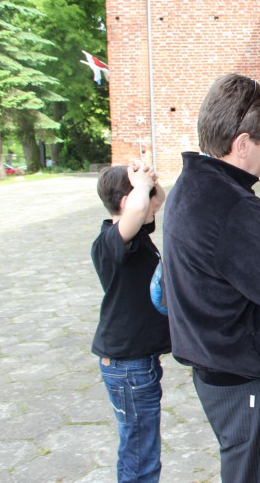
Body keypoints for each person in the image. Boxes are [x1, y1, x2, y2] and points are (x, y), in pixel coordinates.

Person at [162, 74, 260, 482]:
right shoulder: (228, 204)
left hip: (220, 366)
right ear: (243, 143)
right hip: (246, 377)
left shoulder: (193, 185)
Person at [90, 161, 169, 483]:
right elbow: (138, 210)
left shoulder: (134, 235)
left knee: (141, 446)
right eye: (143, 195)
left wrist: (150, 180)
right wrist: (140, 186)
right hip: (128, 367)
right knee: (140, 454)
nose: (153, 201)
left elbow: (158, 201)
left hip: (138, 364)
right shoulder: (110, 242)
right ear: (126, 201)